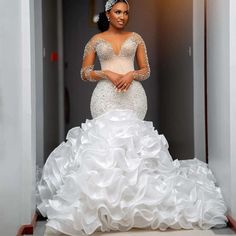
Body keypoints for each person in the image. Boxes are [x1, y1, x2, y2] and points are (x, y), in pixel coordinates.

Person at [37, 0, 228, 235]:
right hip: (105, 97)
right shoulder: (95, 41)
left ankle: (137, 203)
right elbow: (84, 73)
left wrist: (131, 74)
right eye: (118, 12)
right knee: (106, 146)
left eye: (126, 12)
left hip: (133, 96)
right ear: (108, 13)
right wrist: (106, 72)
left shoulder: (136, 37)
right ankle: (107, 204)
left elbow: (145, 70)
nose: (122, 16)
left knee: (134, 145)